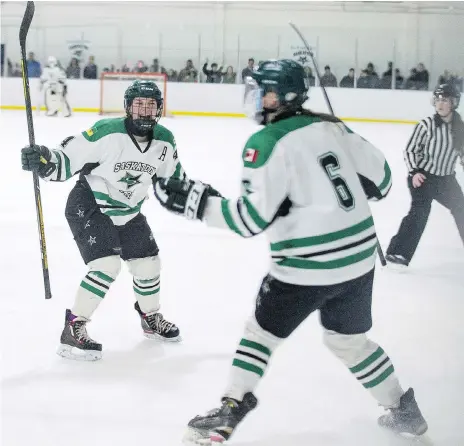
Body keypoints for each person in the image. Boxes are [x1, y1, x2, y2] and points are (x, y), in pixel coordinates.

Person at [152, 59, 428, 444]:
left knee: (259, 335)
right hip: (358, 262)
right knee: (347, 341)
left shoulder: (264, 143)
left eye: (258, 89)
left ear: (277, 96)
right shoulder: (331, 126)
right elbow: (381, 180)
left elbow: (249, 221)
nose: (252, 96)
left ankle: (229, 411)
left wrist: (198, 204)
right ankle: (403, 410)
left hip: (304, 267)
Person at [21, 80, 184, 361]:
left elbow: (173, 179)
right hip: (89, 205)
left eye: (151, 105)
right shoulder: (106, 133)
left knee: (148, 264)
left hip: (129, 211)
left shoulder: (165, 141)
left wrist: (187, 196)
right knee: (106, 265)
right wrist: (44, 161)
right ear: (128, 107)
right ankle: (74, 328)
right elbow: (65, 160)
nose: (144, 111)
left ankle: (150, 318)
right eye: (138, 105)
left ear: (158, 108)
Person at [386, 84, 464, 268]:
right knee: (419, 212)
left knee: (462, 209)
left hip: (446, 180)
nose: (440, 104)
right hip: (423, 177)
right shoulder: (426, 124)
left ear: (453, 103)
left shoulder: (460, 128)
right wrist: (414, 172)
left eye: (444, 100)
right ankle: (398, 252)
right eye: (437, 100)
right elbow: (411, 151)